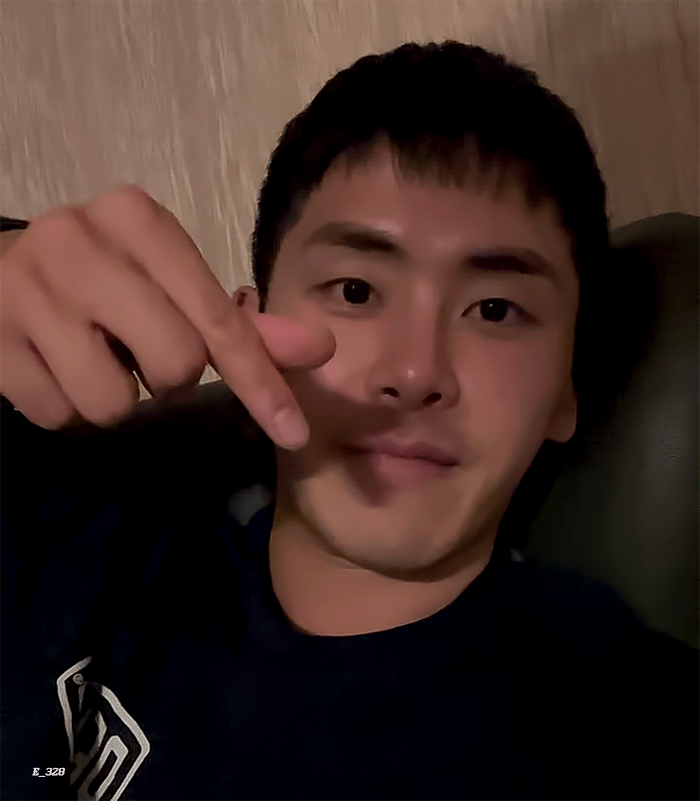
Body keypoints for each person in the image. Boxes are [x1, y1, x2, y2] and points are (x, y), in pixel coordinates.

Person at [1, 40, 697, 801]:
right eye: (357, 291)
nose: (415, 373)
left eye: (495, 310)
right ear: (245, 327)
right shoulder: (77, 534)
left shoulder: (633, 724)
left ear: (565, 391)